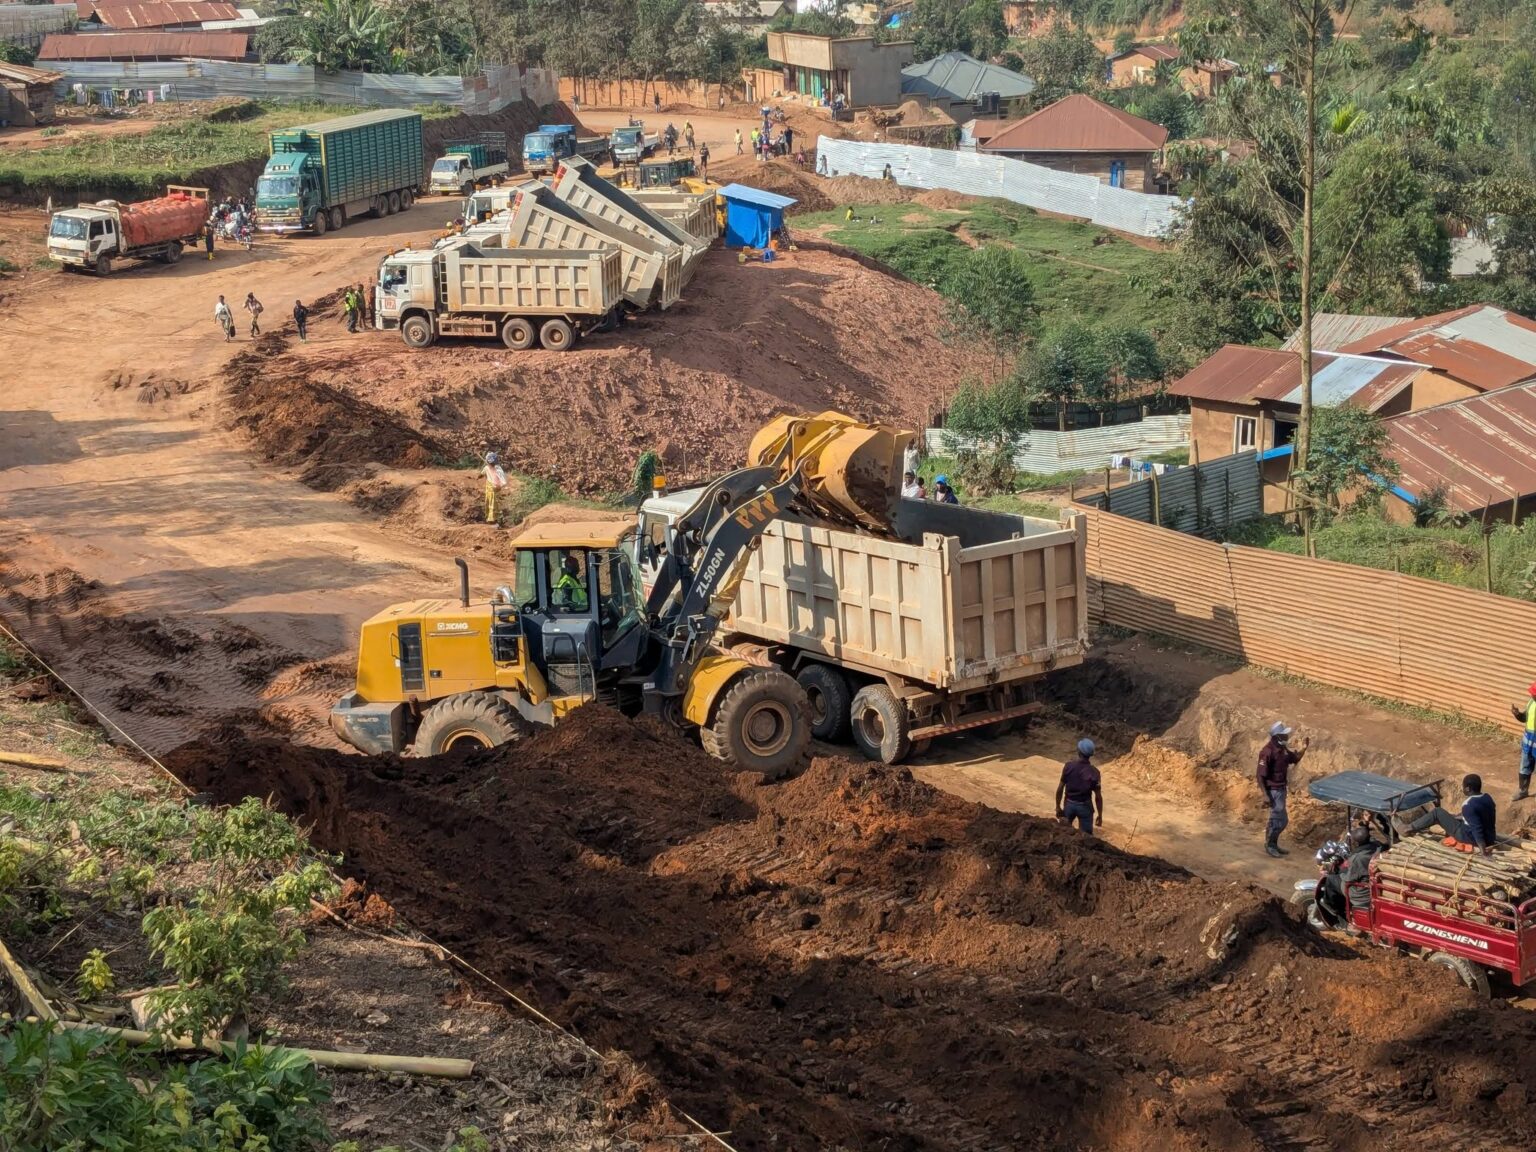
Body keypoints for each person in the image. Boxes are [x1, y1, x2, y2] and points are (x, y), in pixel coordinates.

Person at [1408, 774, 1497, 854]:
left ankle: (1408, 828)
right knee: (1454, 816)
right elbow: (1479, 817)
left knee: (1437, 812)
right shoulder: (1487, 797)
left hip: (1468, 838)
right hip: (1490, 838)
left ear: (1467, 788)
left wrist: (1483, 851)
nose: (1462, 788)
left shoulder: (1468, 805)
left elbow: (1477, 829)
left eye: (1463, 786)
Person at [1257, 721, 1309, 857]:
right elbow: (1260, 775)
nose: (1287, 737)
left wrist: (1304, 748)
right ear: (1277, 736)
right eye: (1284, 735)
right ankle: (1270, 845)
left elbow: (1294, 758)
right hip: (1273, 790)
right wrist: (1265, 795)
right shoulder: (1267, 752)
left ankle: (1273, 843)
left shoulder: (1283, 750)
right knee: (1277, 818)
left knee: (1282, 820)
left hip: (1281, 788)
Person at [1056, 738, 1104, 835]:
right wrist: (1100, 815)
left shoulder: (1068, 766)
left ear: (1079, 751)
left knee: (1063, 832)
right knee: (1086, 837)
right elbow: (1098, 797)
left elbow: (1060, 788)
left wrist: (1057, 807)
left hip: (1069, 804)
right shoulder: (1095, 772)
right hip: (1085, 807)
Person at [1514, 682, 1536, 800]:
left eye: (1534, 694)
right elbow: (1525, 718)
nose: (1532, 695)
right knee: (1524, 767)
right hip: (1528, 742)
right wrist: (1518, 715)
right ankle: (1523, 791)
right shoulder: (1531, 702)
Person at [482, 451, 508, 525]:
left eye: (491, 463)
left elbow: (504, 482)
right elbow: (482, 473)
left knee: (493, 504)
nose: (490, 464)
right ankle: (488, 519)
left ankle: (493, 521)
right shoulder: (486, 468)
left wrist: (499, 486)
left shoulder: (498, 470)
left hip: (494, 489)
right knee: (488, 503)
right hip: (488, 489)